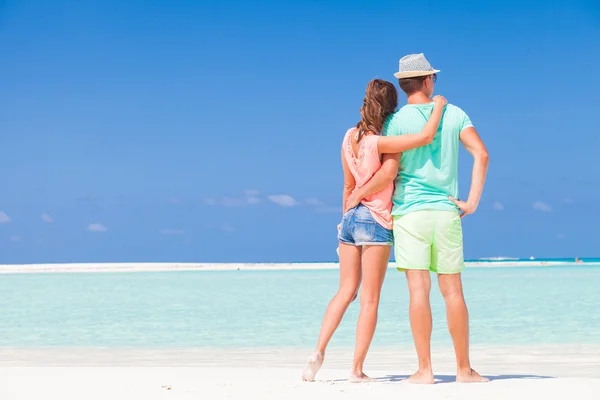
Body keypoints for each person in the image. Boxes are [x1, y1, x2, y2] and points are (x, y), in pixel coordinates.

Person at [345, 54, 490, 384]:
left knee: (418, 292)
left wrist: (356, 195)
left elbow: (389, 168)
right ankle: (464, 369)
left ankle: (425, 370)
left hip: (409, 213)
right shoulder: (453, 114)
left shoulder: (395, 122)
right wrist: (472, 202)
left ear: (404, 84)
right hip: (445, 211)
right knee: (453, 292)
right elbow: (481, 154)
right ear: (428, 81)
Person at [301, 78, 447, 382]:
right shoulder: (379, 141)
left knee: (344, 292)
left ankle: (318, 351)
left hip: (350, 219)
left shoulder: (348, 138)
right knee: (369, 299)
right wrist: (439, 107)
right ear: (390, 108)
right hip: (375, 219)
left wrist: (346, 216)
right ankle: (356, 369)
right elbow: (423, 138)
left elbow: (346, 185)